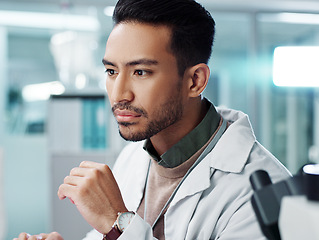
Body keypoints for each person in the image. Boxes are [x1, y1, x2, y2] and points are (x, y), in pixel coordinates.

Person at [16, 0, 291, 239]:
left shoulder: (266, 194)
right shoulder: (133, 156)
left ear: (195, 81)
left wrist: (119, 223)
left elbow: (116, 229)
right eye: (112, 71)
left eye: (141, 72)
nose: (119, 94)